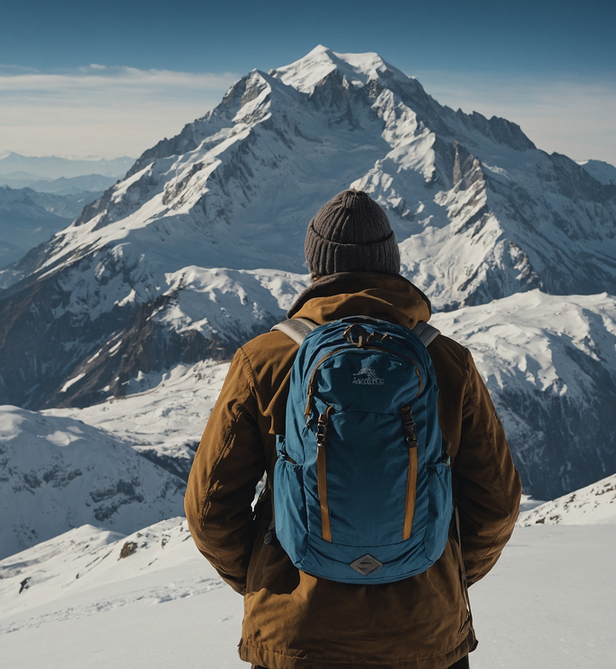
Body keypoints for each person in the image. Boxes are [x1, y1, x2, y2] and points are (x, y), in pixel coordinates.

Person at [185, 189, 522, 669]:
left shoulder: (264, 361)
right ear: (391, 265)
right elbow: (497, 503)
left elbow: (208, 508)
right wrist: (444, 574)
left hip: (297, 637)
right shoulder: (447, 362)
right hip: (423, 636)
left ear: (316, 269)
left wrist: (269, 576)